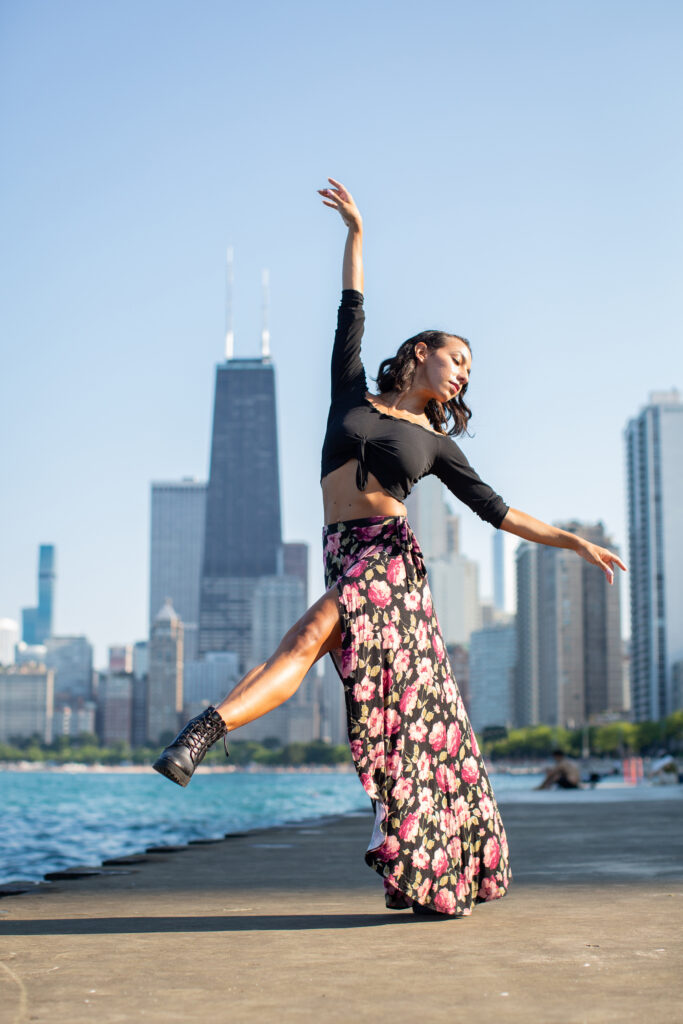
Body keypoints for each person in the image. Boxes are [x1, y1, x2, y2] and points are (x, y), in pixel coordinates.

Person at [153, 178, 626, 917]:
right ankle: (418, 869)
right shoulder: (350, 394)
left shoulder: (435, 444)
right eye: (457, 356)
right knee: (394, 724)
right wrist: (356, 234)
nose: (463, 371)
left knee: (305, 636)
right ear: (420, 353)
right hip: (342, 553)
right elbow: (351, 309)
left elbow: (498, 513)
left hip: (390, 565)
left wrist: (571, 541)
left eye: (468, 370)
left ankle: (198, 736)